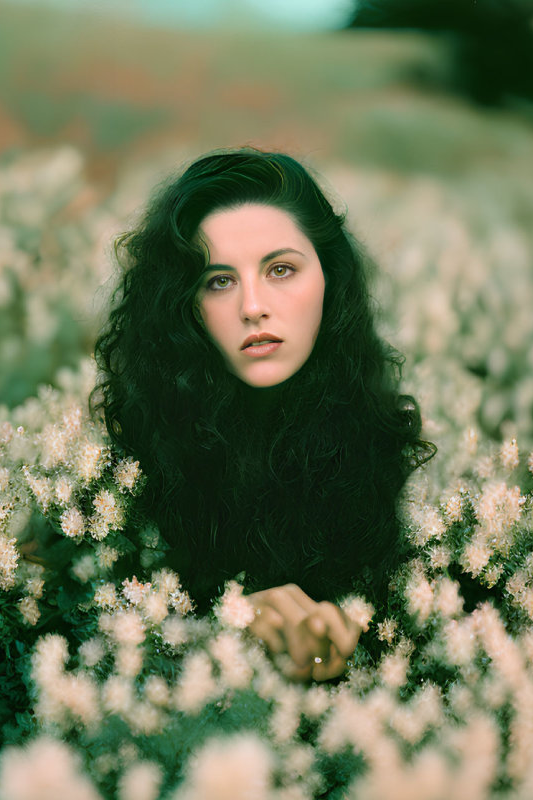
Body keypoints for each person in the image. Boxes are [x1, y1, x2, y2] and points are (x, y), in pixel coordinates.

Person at [92, 148, 434, 681]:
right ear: (185, 306)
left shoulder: (395, 465)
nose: (253, 306)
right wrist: (225, 632)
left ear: (330, 281)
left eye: (280, 270)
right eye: (219, 281)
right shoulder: (132, 467)